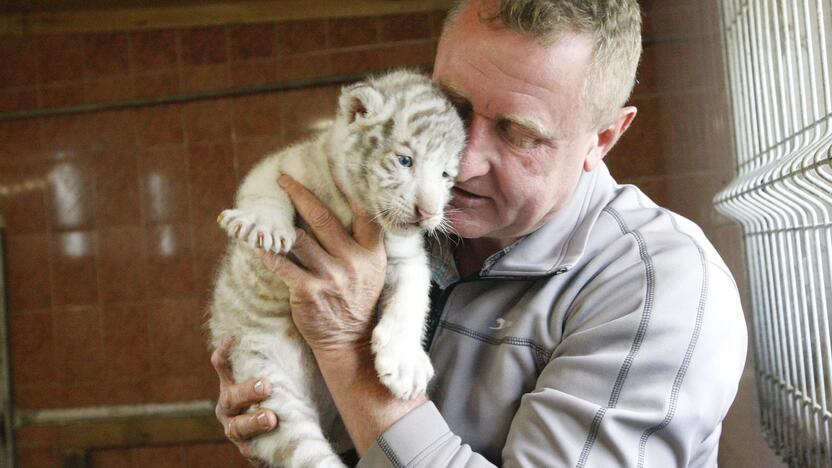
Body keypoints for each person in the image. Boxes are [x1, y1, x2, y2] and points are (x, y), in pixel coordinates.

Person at [211, 0, 748, 466]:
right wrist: (283, 409)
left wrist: (347, 352)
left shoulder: (657, 291)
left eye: (517, 133)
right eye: (456, 107)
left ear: (603, 138)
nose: (460, 164)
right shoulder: (403, 207)